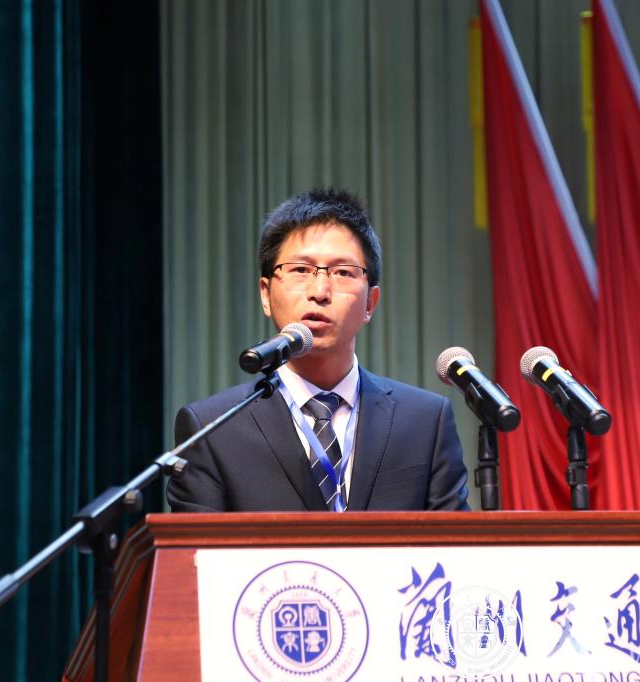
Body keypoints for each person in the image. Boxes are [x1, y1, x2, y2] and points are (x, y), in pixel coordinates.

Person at [167, 188, 470, 512]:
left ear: (370, 303)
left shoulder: (425, 422)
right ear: (266, 295)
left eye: (343, 272)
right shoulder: (212, 428)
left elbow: (452, 541)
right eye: (301, 270)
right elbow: (197, 545)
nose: (320, 291)